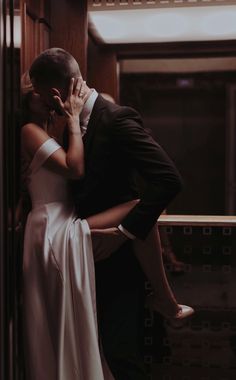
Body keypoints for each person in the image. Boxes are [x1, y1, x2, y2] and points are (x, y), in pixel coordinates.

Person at [25, 48, 194, 380]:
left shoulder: (116, 118)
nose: (49, 106)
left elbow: (169, 180)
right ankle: (166, 300)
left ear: (56, 93)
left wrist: (124, 233)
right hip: (83, 255)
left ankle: (166, 300)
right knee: (98, 355)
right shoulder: (66, 127)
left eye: (47, 98)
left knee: (120, 357)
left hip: (118, 263)